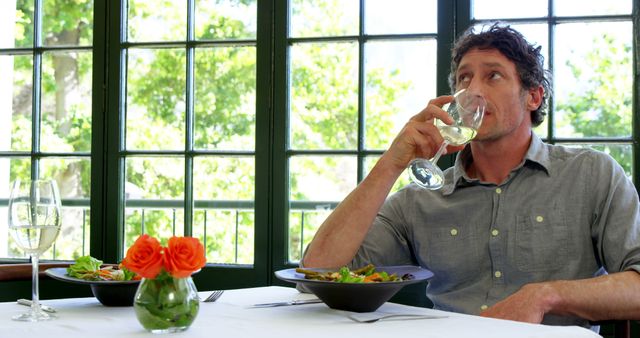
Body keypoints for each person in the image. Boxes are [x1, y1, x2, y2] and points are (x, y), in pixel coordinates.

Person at [301, 23, 640, 328]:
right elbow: (316, 275)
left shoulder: (591, 174)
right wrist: (391, 163)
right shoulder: (421, 199)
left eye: (493, 75)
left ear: (533, 96)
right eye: (464, 78)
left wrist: (545, 296)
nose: (473, 91)